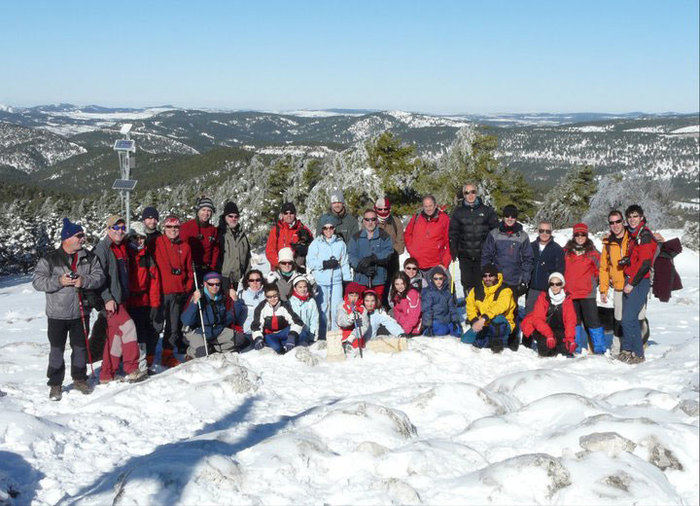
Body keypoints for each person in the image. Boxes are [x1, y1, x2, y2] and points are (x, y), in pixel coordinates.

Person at [33, 218, 105, 400]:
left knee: (80, 347)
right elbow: (37, 281)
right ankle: (55, 383)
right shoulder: (50, 259)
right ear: (67, 238)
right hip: (57, 313)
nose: (83, 239)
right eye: (79, 235)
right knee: (56, 349)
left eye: (83, 235)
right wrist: (59, 281)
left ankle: (79, 378)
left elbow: (99, 276)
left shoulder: (89, 257)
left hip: (81, 311)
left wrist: (84, 281)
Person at [94, 215, 145, 384]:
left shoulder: (122, 246)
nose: (120, 231)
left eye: (122, 228)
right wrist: (107, 298)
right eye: (116, 228)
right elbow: (98, 278)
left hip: (121, 299)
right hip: (110, 301)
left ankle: (107, 374)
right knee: (129, 327)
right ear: (108, 229)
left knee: (115, 337)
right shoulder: (102, 249)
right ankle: (132, 368)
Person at [600, 209, 648, 348]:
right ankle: (618, 348)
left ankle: (638, 347)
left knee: (638, 317)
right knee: (619, 319)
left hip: (636, 284)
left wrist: (659, 238)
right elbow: (604, 268)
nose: (615, 225)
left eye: (618, 221)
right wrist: (603, 290)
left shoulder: (634, 236)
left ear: (623, 221)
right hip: (619, 287)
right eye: (612, 222)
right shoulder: (607, 243)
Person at [618, 205, 657, 363]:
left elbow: (646, 263)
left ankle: (638, 353)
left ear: (641, 217)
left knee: (628, 318)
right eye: (630, 217)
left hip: (640, 281)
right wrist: (627, 261)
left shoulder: (645, 235)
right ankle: (628, 349)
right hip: (632, 279)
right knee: (628, 318)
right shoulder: (635, 235)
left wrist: (632, 283)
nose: (632, 219)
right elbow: (638, 257)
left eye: (635, 216)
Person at [153, 214, 193, 367]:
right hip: (160, 292)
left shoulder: (185, 247)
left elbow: (189, 271)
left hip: (177, 293)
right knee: (156, 325)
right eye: (169, 227)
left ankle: (167, 354)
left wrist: (186, 288)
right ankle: (149, 354)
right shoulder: (157, 242)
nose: (173, 230)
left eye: (176, 227)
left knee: (173, 326)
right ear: (164, 228)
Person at [180, 272, 249, 359]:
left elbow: (233, 316)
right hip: (198, 331)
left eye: (217, 284)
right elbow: (187, 321)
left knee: (241, 340)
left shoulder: (223, 296)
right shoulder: (197, 296)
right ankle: (191, 351)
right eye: (211, 284)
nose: (214, 287)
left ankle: (212, 347)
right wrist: (194, 302)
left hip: (217, 330)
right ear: (205, 284)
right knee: (202, 354)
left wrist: (235, 300)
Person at [563, 223, 606, 354]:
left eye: (583, 234)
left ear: (587, 236)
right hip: (570, 293)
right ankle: (574, 346)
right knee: (573, 322)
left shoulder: (593, 252)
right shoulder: (566, 251)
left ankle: (599, 348)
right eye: (577, 234)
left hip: (587, 293)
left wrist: (594, 282)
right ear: (573, 235)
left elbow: (601, 269)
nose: (580, 237)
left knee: (593, 321)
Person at [449, 183, 498, 297]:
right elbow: (453, 232)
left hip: (482, 255)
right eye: (467, 192)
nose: (470, 195)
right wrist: (453, 248)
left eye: (473, 192)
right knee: (467, 282)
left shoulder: (486, 211)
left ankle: (482, 307)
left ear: (476, 193)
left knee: (481, 282)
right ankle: (470, 308)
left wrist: (492, 249)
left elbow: (494, 231)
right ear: (463, 195)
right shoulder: (458, 212)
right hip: (465, 255)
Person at [124, 222, 162, 372]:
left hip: (144, 301)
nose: (138, 241)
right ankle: (134, 364)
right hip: (129, 301)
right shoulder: (126, 255)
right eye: (135, 237)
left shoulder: (147, 256)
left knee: (144, 333)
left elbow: (154, 282)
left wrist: (154, 303)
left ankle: (142, 363)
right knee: (132, 335)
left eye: (141, 238)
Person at [306, 216, 352, 338]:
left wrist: (347, 280)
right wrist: (324, 264)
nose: (328, 230)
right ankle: (322, 335)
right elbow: (310, 262)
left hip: (336, 281)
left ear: (334, 228)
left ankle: (336, 335)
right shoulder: (316, 243)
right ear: (322, 229)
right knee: (323, 309)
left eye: (331, 228)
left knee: (337, 308)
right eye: (325, 228)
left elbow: (344, 262)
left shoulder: (340, 243)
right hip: (321, 281)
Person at [461, 264, 516, 353]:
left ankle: (497, 343)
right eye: (485, 276)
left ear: (496, 276)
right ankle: (488, 339)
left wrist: (483, 319)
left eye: (491, 275)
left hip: (503, 323)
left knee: (498, 320)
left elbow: (500, 307)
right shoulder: (476, 290)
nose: (487, 278)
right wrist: (475, 321)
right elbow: (470, 307)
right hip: (485, 323)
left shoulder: (505, 290)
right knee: (465, 340)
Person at [481, 204, 533, 297]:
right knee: (495, 309)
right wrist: (487, 277)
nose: (510, 218)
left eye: (513, 216)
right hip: (497, 280)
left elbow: (528, 259)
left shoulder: (523, 236)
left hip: (515, 280)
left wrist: (524, 281)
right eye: (507, 215)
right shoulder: (494, 234)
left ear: (516, 218)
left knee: (512, 309)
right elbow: (486, 256)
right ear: (503, 217)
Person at [521, 273, 578, 357]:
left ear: (562, 285)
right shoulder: (543, 297)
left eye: (558, 284)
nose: (555, 286)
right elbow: (537, 319)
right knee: (545, 349)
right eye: (552, 284)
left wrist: (570, 339)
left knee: (565, 351)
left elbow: (570, 321)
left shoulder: (567, 299)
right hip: (543, 329)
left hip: (559, 329)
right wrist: (549, 334)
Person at [348, 209, 394, 300]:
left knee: (377, 304)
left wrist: (374, 258)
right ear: (363, 221)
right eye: (367, 219)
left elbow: (389, 252)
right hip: (360, 279)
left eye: (373, 219)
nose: (370, 222)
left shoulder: (384, 236)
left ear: (377, 221)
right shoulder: (356, 237)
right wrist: (361, 268)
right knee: (361, 305)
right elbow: (351, 255)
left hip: (378, 278)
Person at [251, 283, 305, 354]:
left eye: (275, 296)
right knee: (276, 348)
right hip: (270, 334)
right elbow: (256, 325)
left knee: (302, 334)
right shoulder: (261, 307)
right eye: (269, 297)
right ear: (265, 296)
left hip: (283, 332)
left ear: (278, 294)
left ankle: (288, 343)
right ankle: (281, 345)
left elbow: (297, 321)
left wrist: (292, 335)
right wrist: (258, 338)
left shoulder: (284, 305)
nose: (273, 299)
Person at [525, 221, 565, 315]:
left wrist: (555, 288)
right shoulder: (530, 247)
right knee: (529, 316)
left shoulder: (557, 249)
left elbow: (560, 271)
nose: (544, 233)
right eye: (542, 230)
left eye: (547, 231)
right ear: (538, 231)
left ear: (551, 232)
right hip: (532, 289)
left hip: (548, 290)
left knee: (545, 318)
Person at [404, 194, 451, 272]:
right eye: (426, 206)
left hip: (437, 265)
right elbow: (407, 234)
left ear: (435, 205)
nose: (428, 209)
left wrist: (445, 263)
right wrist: (412, 249)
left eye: (430, 206)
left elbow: (449, 242)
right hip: (417, 264)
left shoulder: (444, 219)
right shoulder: (416, 217)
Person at [216, 201, 251, 297]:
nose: (233, 219)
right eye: (230, 216)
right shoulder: (219, 233)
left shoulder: (242, 235)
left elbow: (248, 257)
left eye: (236, 217)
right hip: (223, 278)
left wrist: (247, 276)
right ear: (225, 217)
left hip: (237, 279)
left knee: (233, 306)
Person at [180, 196, 219, 281]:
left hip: (207, 270)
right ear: (198, 211)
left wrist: (212, 266)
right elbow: (181, 249)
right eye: (203, 210)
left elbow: (215, 250)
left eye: (209, 210)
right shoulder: (186, 227)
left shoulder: (213, 230)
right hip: (191, 270)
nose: (206, 213)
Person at [265, 202, 313, 271]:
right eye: (286, 213)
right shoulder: (276, 230)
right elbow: (270, 251)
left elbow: (313, 249)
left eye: (291, 213)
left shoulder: (303, 229)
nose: (289, 215)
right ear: (282, 215)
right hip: (279, 269)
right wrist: (280, 264)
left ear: (295, 214)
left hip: (297, 268)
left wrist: (304, 249)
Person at [374, 197, 405, 304]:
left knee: (394, 285)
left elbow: (400, 242)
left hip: (392, 259)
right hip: (377, 261)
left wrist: (390, 253)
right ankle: (380, 307)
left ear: (389, 209)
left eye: (385, 209)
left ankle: (397, 307)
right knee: (380, 287)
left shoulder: (396, 221)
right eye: (380, 209)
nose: (383, 212)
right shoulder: (371, 221)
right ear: (375, 209)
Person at [421, 265, 462, 337]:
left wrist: (455, 321)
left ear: (444, 279)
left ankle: (450, 327)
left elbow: (452, 308)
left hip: (446, 319)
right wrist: (428, 325)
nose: (438, 281)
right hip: (435, 320)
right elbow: (427, 310)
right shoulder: (429, 293)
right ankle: (432, 329)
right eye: (436, 279)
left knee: (457, 332)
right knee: (442, 331)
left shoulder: (447, 292)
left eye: (440, 278)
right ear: (432, 279)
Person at [336, 282, 370, 353]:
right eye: (351, 295)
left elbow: (364, 325)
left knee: (356, 345)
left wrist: (353, 336)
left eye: (356, 296)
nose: (353, 298)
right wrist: (349, 319)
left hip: (356, 334)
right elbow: (340, 321)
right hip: (344, 332)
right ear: (347, 295)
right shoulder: (342, 306)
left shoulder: (362, 308)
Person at [288, 273, 320, 344]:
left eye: (305, 287)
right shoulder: (290, 302)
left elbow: (314, 320)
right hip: (293, 335)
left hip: (307, 335)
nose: (303, 289)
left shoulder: (311, 302)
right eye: (300, 287)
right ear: (295, 288)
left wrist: (313, 337)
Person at [237, 270, 265, 335]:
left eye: (258, 280)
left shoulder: (267, 295)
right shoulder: (241, 295)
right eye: (251, 280)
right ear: (248, 282)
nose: (255, 282)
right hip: (246, 333)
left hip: (263, 332)